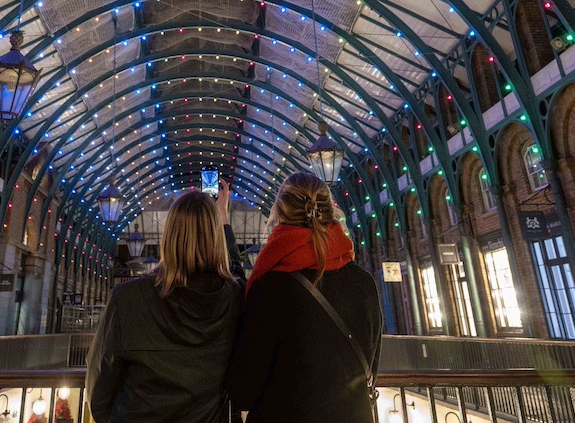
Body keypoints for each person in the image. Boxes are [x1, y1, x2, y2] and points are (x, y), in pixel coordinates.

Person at [226, 173, 383, 423]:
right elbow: (370, 367)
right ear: (330, 211)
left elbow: (243, 392)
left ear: (279, 215)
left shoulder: (271, 289)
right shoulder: (364, 283)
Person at [86, 181, 245, 423]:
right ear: (217, 241)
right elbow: (236, 273)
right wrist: (222, 217)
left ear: (169, 236)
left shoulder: (127, 298)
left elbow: (99, 389)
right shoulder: (233, 299)